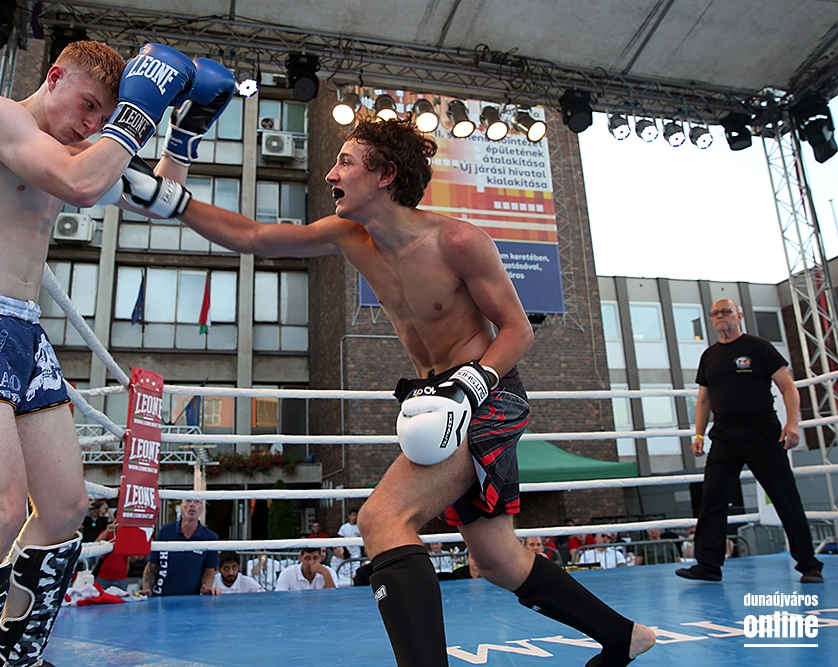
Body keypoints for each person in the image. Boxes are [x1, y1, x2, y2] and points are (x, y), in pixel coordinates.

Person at [161, 118, 655, 666]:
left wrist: (473, 383)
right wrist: (173, 200)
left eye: (346, 162)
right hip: (437, 397)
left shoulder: (457, 241)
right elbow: (253, 237)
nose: (330, 174)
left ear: (385, 175)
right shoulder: (348, 237)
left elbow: (519, 331)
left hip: (488, 394)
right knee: (498, 561)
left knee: (381, 518)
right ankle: (623, 635)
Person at [0, 38, 202, 667]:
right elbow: (81, 184)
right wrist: (136, 116)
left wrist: (183, 134)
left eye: (106, 116)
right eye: (89, 105)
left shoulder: (73, 152)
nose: (93, 124)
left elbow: (158, 199)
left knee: (66, 509)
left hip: (26, 332)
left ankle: (15, 656)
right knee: (0, 512)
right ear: (55, 75)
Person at [677, 299, 825, 584]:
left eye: (726, 311)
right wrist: (698, 434)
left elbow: (787, 386)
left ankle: (809, 565)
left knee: (785, 496)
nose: (721, 316)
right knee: (712, 498)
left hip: (762, 432)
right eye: (715, 313)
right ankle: (708, 565)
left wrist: (792, 424)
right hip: (724, 435)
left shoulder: (759, 347)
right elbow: (703, 400)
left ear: (739, 315)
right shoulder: (709, 356)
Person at [141, 499, 219, 596]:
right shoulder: (165, 532)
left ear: (202, 508)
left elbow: (209, 570)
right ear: (181, 506)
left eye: (197, 501)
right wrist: (146, 589)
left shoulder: (210, 537)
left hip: (192, 599)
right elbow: (152, 565)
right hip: (162, 596)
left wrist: (206, 587)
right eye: (188, 501)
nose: (192, 504)